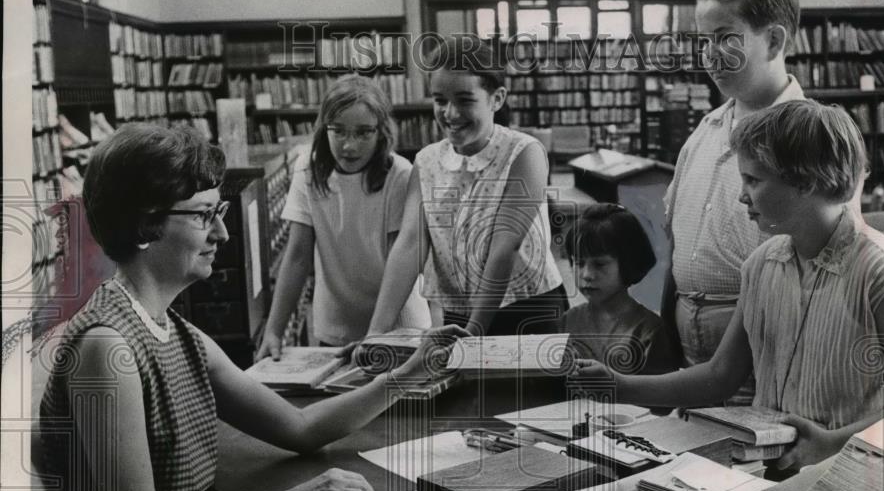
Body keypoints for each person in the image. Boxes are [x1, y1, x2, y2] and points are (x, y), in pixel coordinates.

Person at [38, 123, 464, 491]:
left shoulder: (174, 330)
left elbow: (300, 429)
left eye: (218, 212)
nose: (222, 231)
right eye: (204, 216)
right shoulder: (105, 347)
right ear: (144, 226)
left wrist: (408, 375)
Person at [580, 100, 884, 470]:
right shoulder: (761, 264)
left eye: (753, 180)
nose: (742, 195)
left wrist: (831, 444)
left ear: (805, 182)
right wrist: (620, 385)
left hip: (853, 477)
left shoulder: (881, 273)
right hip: (774, 472)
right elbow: (719, 377)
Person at [660, 0, 806, 404]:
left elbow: (814, 269)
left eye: (726, 37)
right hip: (688, 341)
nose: (710, 54)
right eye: (705, 40)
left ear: (775, 41)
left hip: (765, 340)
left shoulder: (808, 136)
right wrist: (668, 330)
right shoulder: (704, 130)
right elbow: (677, 243)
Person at [366, 35, 566, 339]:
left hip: (529, 310)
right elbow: (409, 245)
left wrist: (474, 333)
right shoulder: (427, 161)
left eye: (465, 100)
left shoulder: (524, 152)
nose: (450, 113)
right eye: (440, 100)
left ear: (496, 99)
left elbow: (505, 246)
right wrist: (376, 332)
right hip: (458, 312)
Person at [256, 75, 430, 360]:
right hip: (336, 327)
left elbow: (400, 260)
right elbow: (298, 255)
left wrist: (375, 334)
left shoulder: (400, 174)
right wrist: (273, 330)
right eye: (338, 131)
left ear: (381, 132)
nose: (349, 146)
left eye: (363, 133)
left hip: (398, 325)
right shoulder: (307, 170)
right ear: (324, 129)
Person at [557, 204, 673, 375]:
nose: (587, 275)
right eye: (579, 263)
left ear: (628, 263)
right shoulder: (567, 321)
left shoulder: (649, 331)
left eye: (599, 264)